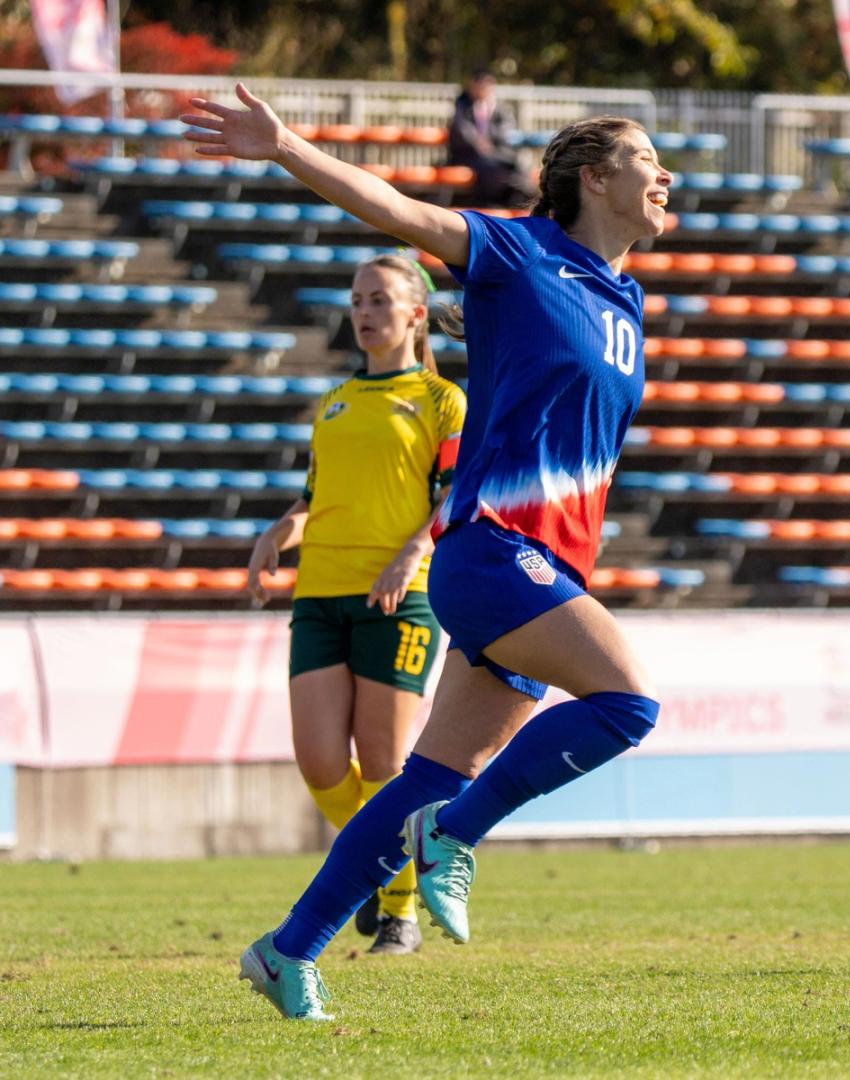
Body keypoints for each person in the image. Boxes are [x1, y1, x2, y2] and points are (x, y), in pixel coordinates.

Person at [182, 83, 671, 1021]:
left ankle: (289, 951)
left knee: (428, 774)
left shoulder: (627, 298)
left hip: (552, 564)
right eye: (649, 160)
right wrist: (284, 146)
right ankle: (457, 836)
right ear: (597, 177)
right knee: (627, 702)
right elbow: (400, 213)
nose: (667, 176)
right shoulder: (519, 252)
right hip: (492, 552)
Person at [245, 253, 466, 956]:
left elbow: (455, 493)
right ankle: (378, 872)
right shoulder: (335, 400)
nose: (365, 313)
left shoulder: (441, 401)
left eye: (379, 300)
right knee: (319, 764)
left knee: (383, 763)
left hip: (400, 598)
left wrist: (413, 551)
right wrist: (283, 528)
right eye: (357, 301)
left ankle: (398, 912)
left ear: (414, 314)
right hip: (320, 592)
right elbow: (317, 497)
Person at [447, 68, 535, 208]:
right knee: (493, 168)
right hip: (468, 155)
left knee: (517, 162)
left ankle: (523, 194)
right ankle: (493, 203)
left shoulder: (498, 107)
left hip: (494, 153)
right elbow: (462, 130)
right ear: (473, 85)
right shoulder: (462, 104)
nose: (484, 90)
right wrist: (478, 142)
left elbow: (506, 129)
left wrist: (490, 141)